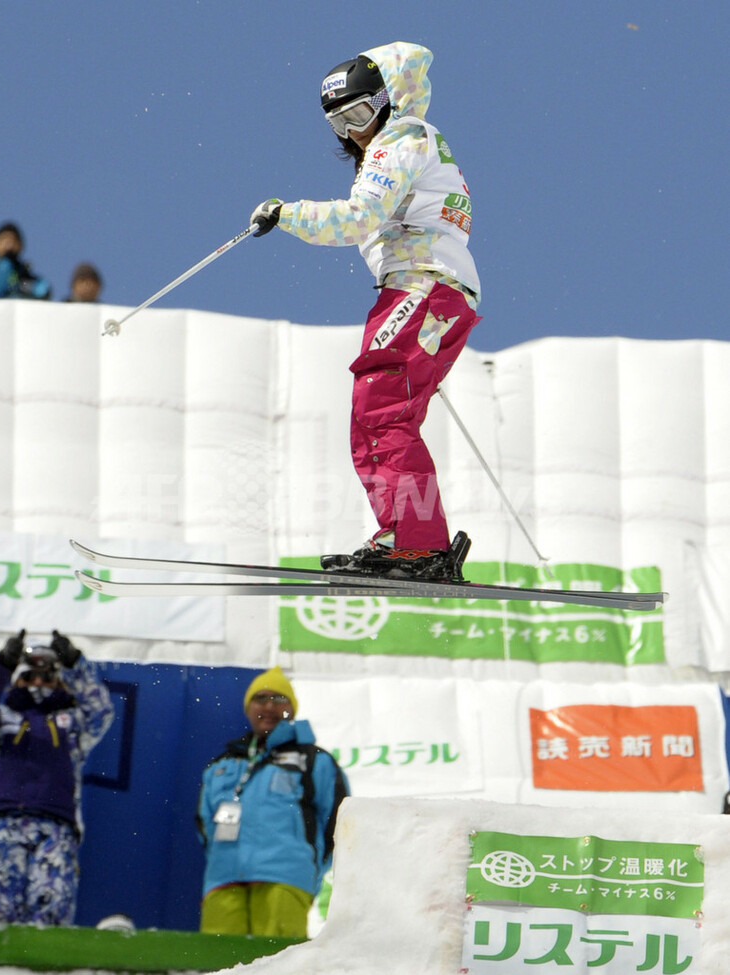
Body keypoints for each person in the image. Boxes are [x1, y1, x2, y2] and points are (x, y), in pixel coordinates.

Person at [250, 42, 481, 581]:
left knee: (381, 409)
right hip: (419, 290)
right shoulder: (402, 145)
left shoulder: (402, 137)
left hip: (424, 287)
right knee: (371, 417)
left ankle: (419, 543)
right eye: (338, 124)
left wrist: (288, 214)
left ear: (387, 100)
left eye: (357, 114)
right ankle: (403, 535)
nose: (353, 131)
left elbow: (358, 219)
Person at [0, 629, 113, 925]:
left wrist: (75, 664)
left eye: (47, 677)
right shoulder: (1, 721)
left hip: (57, 827)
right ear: (16, 680)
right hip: (3, 824)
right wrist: (3, 663)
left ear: (59, 681)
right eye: (29, 676)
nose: (38, 683)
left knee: (52, 912)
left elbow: (101, 711)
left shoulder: (73, 725)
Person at [196, 666, 348, 938]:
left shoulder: (315, 761)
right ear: (247, 708)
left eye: (279, 699)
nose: (269, 706)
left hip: (285, 878)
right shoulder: (221, 764)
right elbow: (204, 822)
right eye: (260, 698)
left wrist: (309, 866)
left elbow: (337, 823)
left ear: (293, 707)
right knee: (218, 964)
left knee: (277, 962)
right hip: (223, 878)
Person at [0, 222, 52, 300]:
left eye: (13, 240)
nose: (8, 244)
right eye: (4, 239)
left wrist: (24, 284)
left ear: (20, 246)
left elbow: (42, 290)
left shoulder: (22, 272)